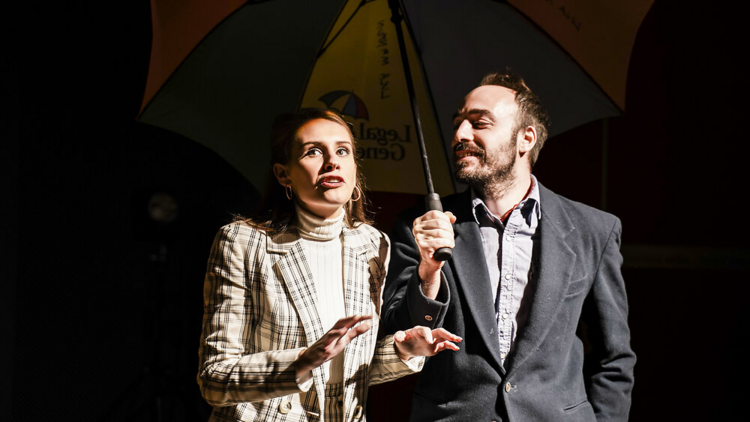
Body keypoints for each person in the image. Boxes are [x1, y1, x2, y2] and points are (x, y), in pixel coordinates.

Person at [382, 71, 636, 421]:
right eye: (458, 123)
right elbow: (398, 332)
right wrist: (428, 271)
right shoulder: (422, 225)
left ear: (525, 138)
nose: (460, 134)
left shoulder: (593, 230)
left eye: (479, 123)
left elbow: (614, 356)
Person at [197, 108, 461, 422]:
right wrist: (302, 361)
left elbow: (349, 369)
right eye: (313, 152)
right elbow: (214, 378)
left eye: (342, 150)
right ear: (284, 174)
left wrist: (403, 350)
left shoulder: (373, 245)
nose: (332, 161)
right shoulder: (242, 242)